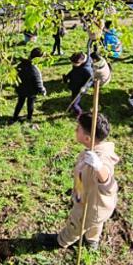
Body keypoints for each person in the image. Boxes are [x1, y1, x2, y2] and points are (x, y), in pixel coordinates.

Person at [35, 112, 119, 250]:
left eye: (78, 128)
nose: (75, 130)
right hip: (99, 206)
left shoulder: (100, 160)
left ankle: (61, 241)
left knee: (77, 224)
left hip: (89, 206)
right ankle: (92, 241)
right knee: (95, 223)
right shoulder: (94, 149)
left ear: (87, 138)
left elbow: (108, 185)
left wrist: (99, 167)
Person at [12, 47, 46, 123]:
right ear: (38, 58)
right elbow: (38, 82)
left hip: (21, 88)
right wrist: (42, 90)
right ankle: (29, 117)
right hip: (32, 90)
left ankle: (14, 117)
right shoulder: (35, 69)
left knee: (20, 102)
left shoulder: (22, 63)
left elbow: (16, 74)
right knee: (30, 103)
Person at [63, 52, 93, 118]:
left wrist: (85, 87)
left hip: (80, 88)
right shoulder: (77, 64)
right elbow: (73, 71)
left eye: (74, 63)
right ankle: (74, 106)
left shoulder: (87, 70)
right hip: (74, 84)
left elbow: (91, 80)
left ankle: (79, 113)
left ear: (81, 62)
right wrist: (67, 76)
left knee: (75, 102)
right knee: (74, 97)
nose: (72, 64)